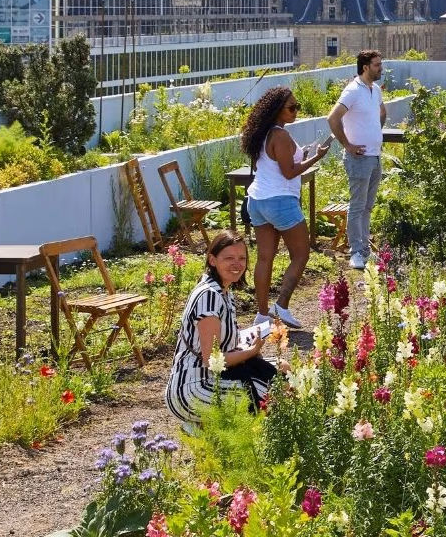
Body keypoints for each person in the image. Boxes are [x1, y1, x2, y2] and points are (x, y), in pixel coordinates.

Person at [165, 231, 280, 425]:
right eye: (229, 258)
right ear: (212, 260)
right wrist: (252, 351)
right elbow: (212, 359)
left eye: (242, 258)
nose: (237, 264)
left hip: (216, 378)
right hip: (195, 387)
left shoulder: (224, 293)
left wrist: (246, 347)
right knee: (274, 394)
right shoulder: (209, 295)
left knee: (282, 367)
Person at [239, 87, 331, 328]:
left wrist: (303, 155)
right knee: (301, 255)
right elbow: (288, 173)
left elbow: (272, 166)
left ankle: (262, 314)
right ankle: (281, 305)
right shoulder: (279, 135)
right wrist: (316, 157)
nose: (296, 111)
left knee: (265, 258)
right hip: (280, 201)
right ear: (277, 110)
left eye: (297, 107)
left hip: (257, 201)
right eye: (292, 107)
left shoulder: (262, 133)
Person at [327, 49, 388, 270]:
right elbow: (333, 118)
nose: (381, 68)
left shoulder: (375, 90)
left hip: (375, 156)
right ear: (365, 67)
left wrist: (374, 134)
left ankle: (364, 249)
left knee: (368, 208)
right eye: (377, 65)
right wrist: (348, 145)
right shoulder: (353, 90)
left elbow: (382, 112)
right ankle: (356, 252)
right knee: (357, 206)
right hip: (359, 159)